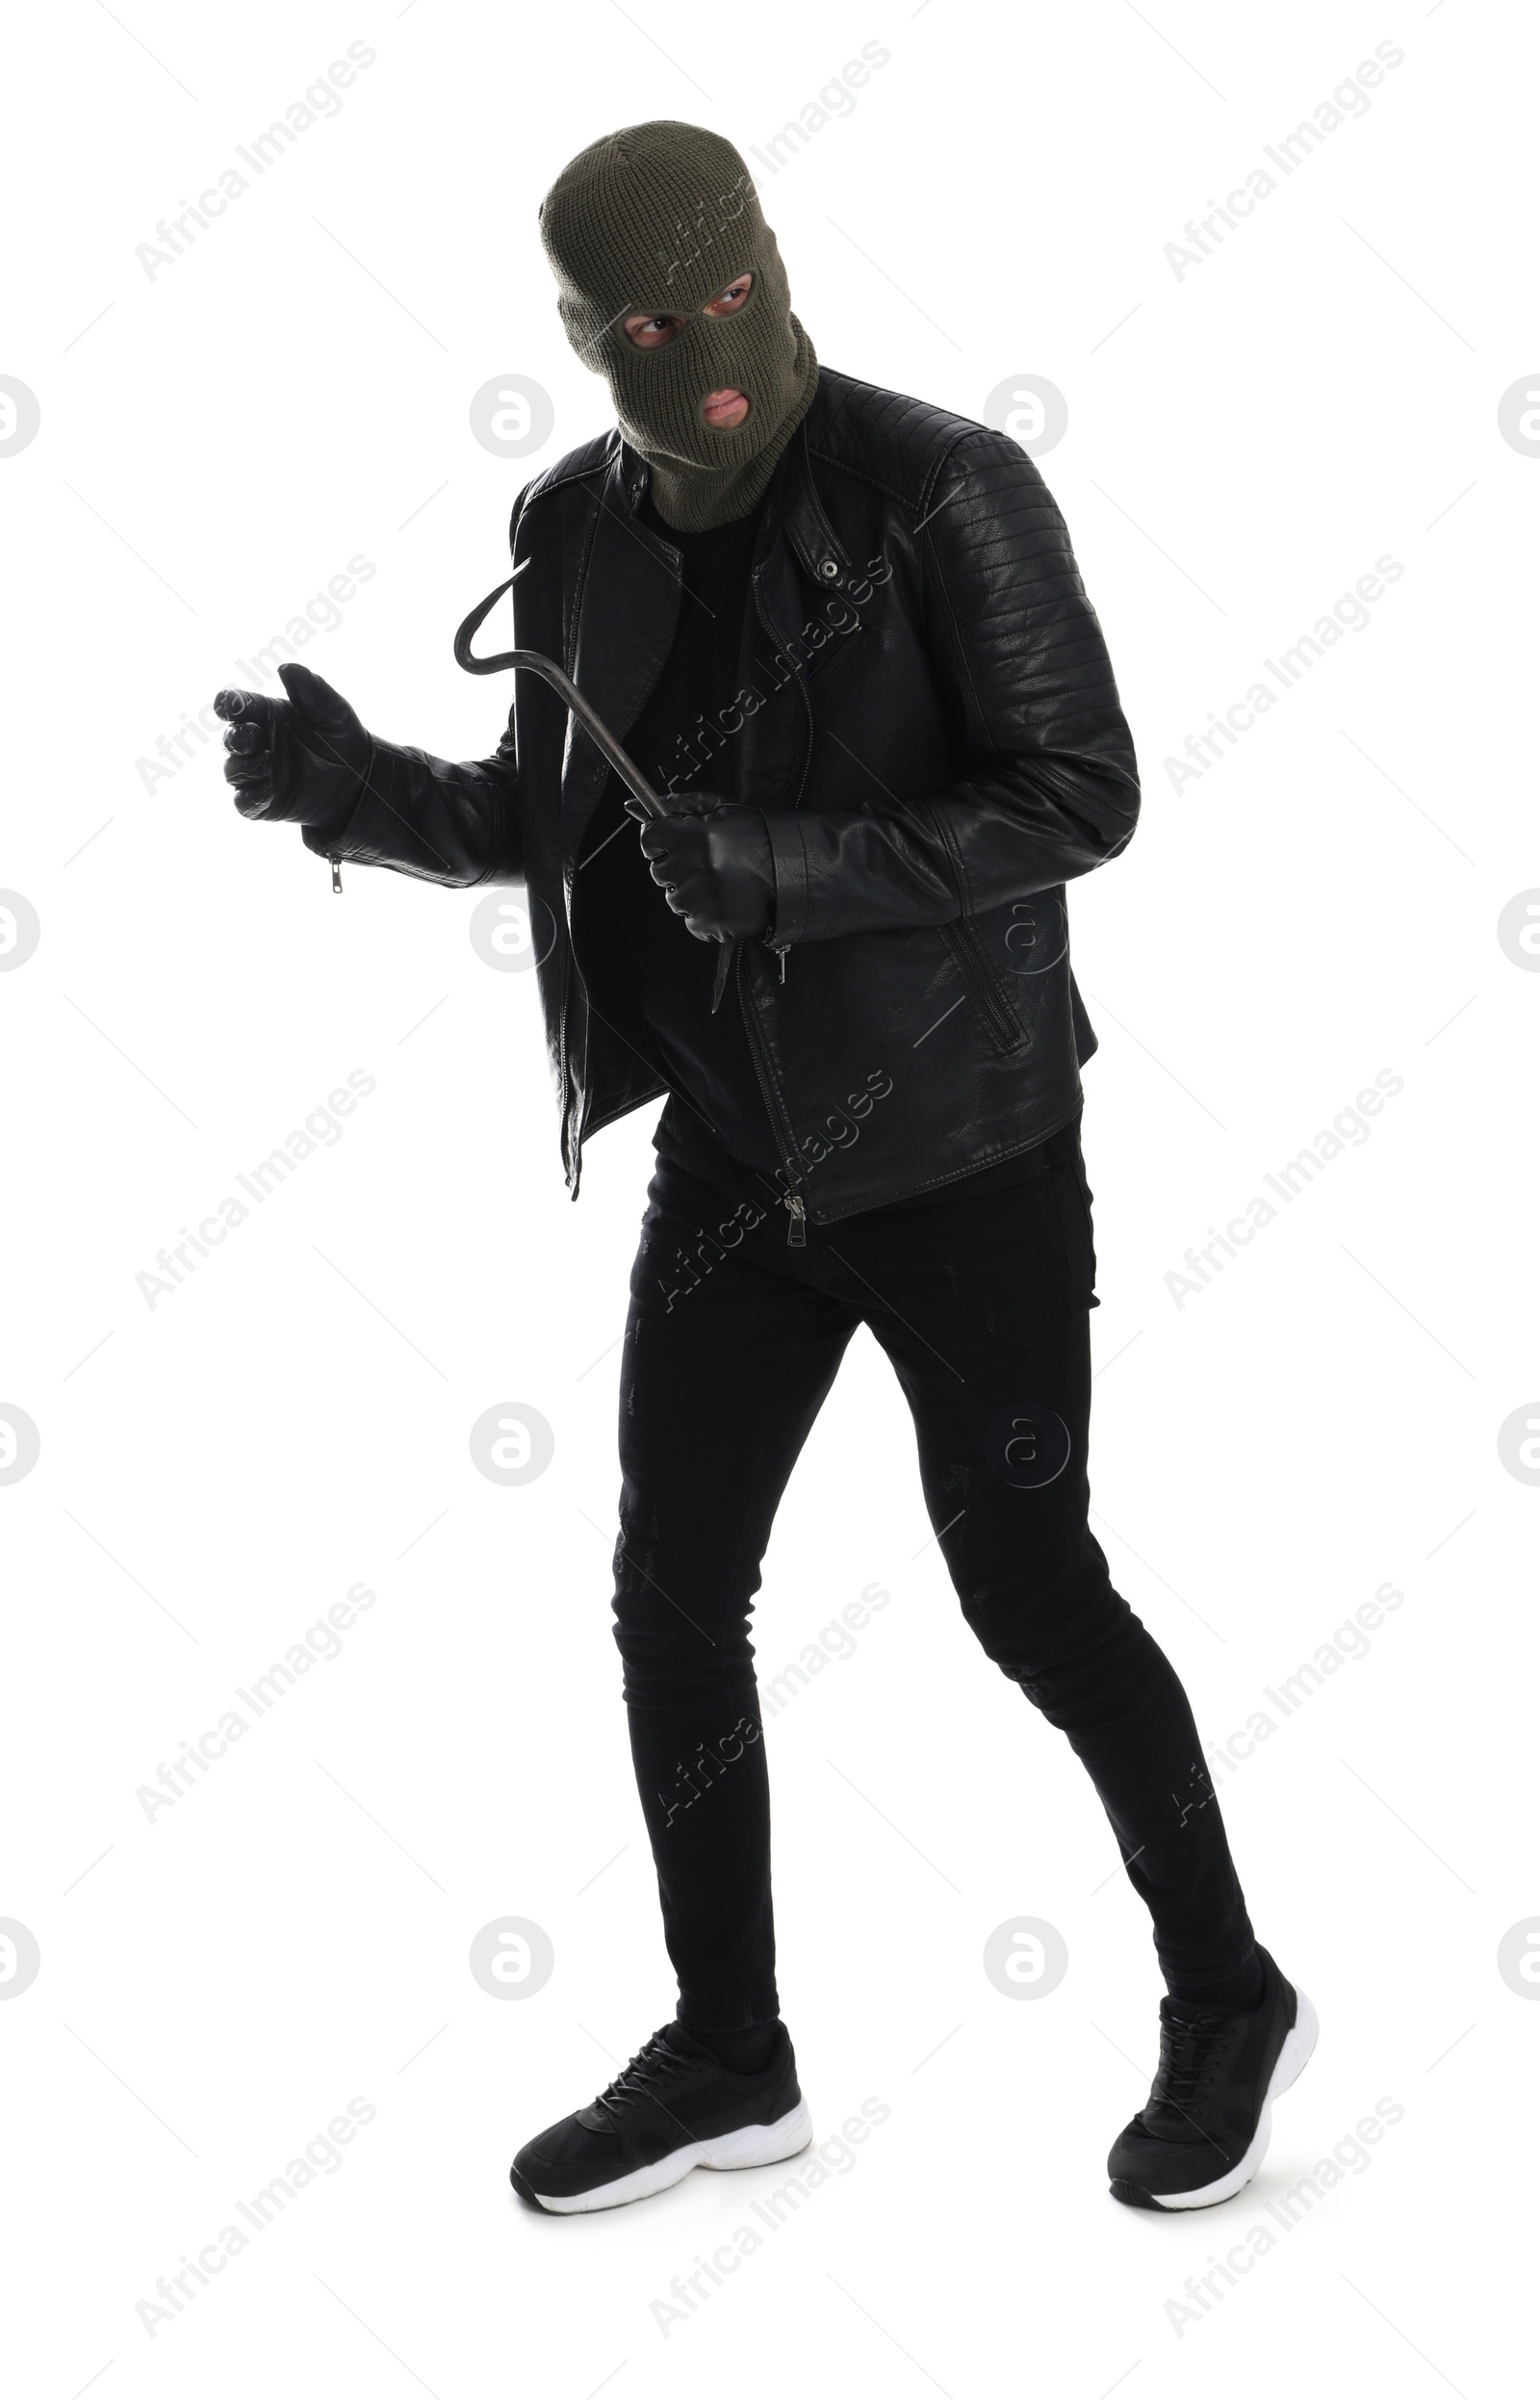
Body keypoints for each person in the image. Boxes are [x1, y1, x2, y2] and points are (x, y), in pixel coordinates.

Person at [216, 120, 1316, 2216]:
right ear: (582, 336)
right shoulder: (572, 525)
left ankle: (1228, 1989)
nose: (696, 350)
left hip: (961, 1153)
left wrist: (799, 870)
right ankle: (731, 2050)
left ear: (772, 266)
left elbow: (1081, 790)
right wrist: (364, 796)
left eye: (720, 294)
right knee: (667, 1594)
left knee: (1029, 1591)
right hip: (733, 1164)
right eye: (639, 323)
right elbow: (568, 827)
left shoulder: (939, 493)